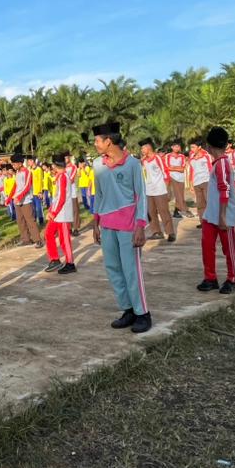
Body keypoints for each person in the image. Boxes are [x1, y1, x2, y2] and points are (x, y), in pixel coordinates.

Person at [91, 123, 151, 332]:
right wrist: (95, 222)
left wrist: (141, 225)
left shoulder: (133, 164)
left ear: (108, 141)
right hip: (107, 225)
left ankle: (142, 313)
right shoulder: (97, 165)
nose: (95, 144)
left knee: (131, 269)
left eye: (97, 140)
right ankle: (127, 309)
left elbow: (141, 196)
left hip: (128, 226)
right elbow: (98, 194)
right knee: (113, 268)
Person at [197, 127, 235, 294]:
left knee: (229, 248)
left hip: (223, 215)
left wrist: (223, 216)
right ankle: (210, 278)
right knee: (207, 245)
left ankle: (233, 278)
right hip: (211, 213)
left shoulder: (222, 163)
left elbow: (225, 189)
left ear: (209, 146)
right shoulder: (218, 163)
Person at [43, 155, 77, 275]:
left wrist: (53, 212)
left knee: (64, 239)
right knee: (48, 233)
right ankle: (54, 259)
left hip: (62, 214)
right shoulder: (59, 176)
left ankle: (70, 263)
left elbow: (62, 198)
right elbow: (56, 197)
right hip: (57, 213)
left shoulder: (63, 177)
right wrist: (51, 210)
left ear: (54, 165)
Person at [139, 139, 175, 241]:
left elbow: (166, 173)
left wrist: (167, 188)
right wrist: (142, 159)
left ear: (149, 147)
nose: (142, 150)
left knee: (164, 211)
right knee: (151, 212)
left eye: (143, 148)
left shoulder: (157, 158)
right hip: (149, 190)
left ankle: (170, 232)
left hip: (160, 190)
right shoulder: (144, 161)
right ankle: (156, 232)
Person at [9, 154, 42, 246]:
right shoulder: (18, 173)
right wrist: (9, 198)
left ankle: (37, 240)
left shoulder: (27, 172)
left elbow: (27, 187)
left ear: (20, 163)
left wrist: (19, 197)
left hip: (26, 201)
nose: (13, 166)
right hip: (17, 201)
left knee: (30, 220)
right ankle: (25, 239)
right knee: (20, 221)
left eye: (14, 164)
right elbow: (15, 186)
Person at [188, 139, 211, 222]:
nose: (191, 149)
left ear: (199, 147)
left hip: (206, 181)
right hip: (196, 182)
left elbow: (211, 169)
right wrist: (191, 184)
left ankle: (212, 221)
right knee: (200, 204)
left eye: (193, 147)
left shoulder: (206, 156)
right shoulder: (191, 157)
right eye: (191, 147)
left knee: (209, 201)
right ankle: (203, 222)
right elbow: (191, 170)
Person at [165, 141, 188, 218]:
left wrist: (173, 167)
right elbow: (167, 167)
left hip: (181, 178)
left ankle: (176, 211)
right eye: (175, 146)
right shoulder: (168, 156)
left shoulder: (182, 156)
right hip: (172, 177)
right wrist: (177, 168)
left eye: (178, 146)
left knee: (180, 195)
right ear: (172, 147)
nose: (177, 148)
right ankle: (185, 209)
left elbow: (183, 169)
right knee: (176, 195)